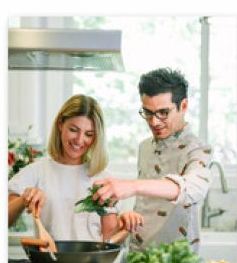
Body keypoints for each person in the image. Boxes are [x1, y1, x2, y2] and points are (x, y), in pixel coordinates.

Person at [93, 67, 213, 252]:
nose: (154, 122)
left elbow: (193, 189)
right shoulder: (145, 147)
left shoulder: (198, 149)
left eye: (163, 112)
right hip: (137, 256)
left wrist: (132, 186)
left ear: (183, 106)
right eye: (148, 112)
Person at [8, 94, 143, 242]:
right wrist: (24, 199)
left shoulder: (104, 179)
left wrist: (126, 223)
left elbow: (108, 239)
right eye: (73, 129)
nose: (79, 140)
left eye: (89, 134)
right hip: (50, 262)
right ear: (60, 124)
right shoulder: (36, 172)